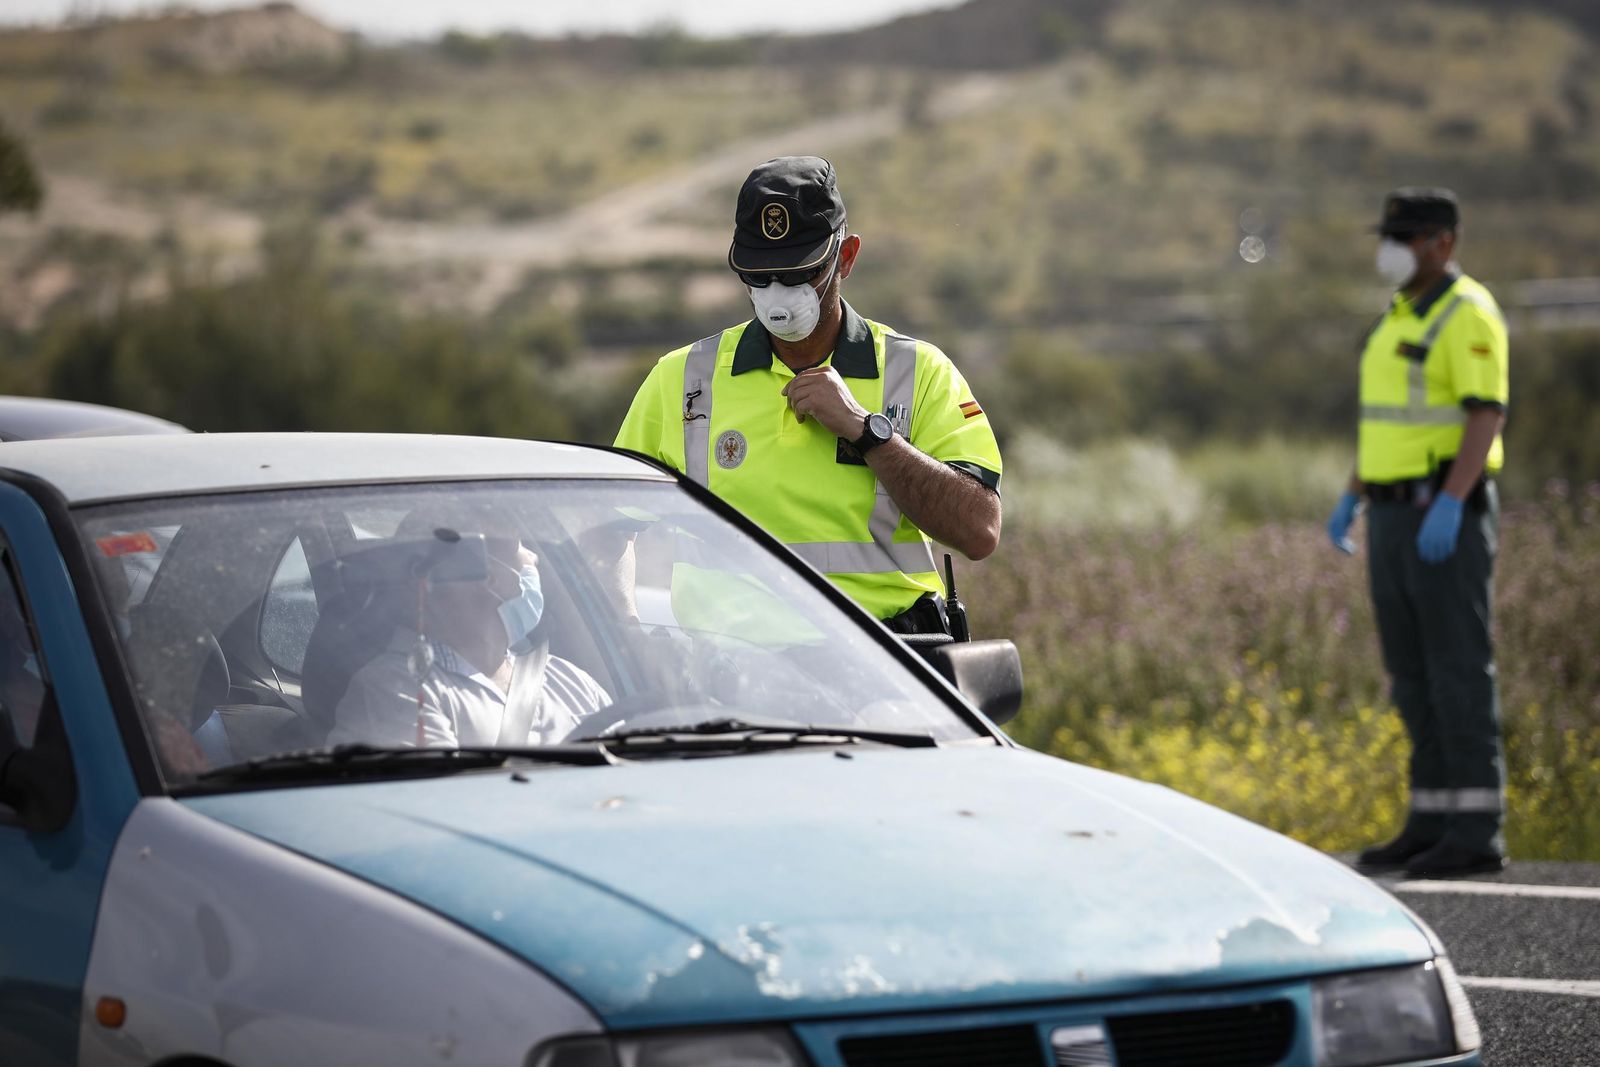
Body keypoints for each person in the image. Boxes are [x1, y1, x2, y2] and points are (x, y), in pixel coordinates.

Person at [615, 156, 1002, 635]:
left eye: (797, 273)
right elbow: (604, 530)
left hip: (883, 669)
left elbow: (980, 532)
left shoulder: (917, 373)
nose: (776, 293)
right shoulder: (683, 379)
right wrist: (625, 636)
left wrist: (869, 434)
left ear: (846, 257)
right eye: (759, 275)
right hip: (726, 677)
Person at [1327, 188, 1509, 878]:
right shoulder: (1400, 312)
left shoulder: (1468, 314)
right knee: (1412, 672)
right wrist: (1353, 496)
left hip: (1443, 511)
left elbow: (1485, 414)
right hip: (1394, 512)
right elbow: (1384, 424)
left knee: (1458, 666)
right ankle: (1431, 818)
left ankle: (1476, 828)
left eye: (1407, 236)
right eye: (1390, 235)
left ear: (1444, 242)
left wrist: (1454, 502)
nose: (1392, 248)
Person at [330, 513, 610, 748]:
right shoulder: (395, 690)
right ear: (490, 576)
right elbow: (449, 803)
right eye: (517, 547)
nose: (533, 558)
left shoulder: (570, 680)